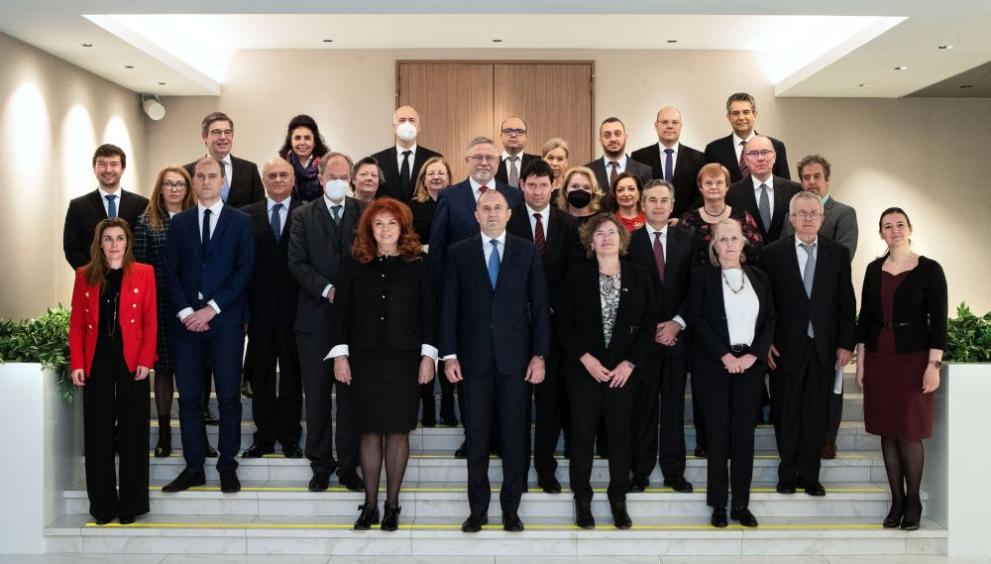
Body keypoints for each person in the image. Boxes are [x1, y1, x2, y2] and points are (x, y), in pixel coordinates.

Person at [440, 190, 550, 533]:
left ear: (508, 213)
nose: (491, 213)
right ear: (476, 215)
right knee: (476, 438)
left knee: (515, 437)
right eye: (485, 208)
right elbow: (449, 307)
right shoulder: (459, 252)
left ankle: (511, 510)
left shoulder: (526, 251)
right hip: (472, 362)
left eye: (497, 208)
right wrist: (449, 354)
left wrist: (539, 355)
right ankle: (478, 511)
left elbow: (540, 306)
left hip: (516, 362)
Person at [328, 198, 437, 532]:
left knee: (398, 431)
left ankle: (392, 505)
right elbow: (340, 312)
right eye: (379, 224)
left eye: (392, 223)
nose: (386, 230)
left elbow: (430, 312)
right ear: (369, 229)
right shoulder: (353, 263)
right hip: (364, 359)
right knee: (369, 431)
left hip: (405, 359)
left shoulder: (419, 263)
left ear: (402, 228)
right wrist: (340, 355)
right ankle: (370, 505)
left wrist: (429, 356)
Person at [162, 156, 255, 494]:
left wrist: (211, 309)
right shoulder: (180, 223)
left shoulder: (241, 222)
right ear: (194, 181)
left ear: (222, 181)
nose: (205, 181)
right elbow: (169, 270)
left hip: (225, 322)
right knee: (188, 398)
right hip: (186, 325)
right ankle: (194, 466)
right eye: (199, 176)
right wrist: (188, 311)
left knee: (229, 396)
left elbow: (244, 270)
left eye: (211, 176)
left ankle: (227, 465)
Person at [557, 213, 656, 529]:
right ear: (590, 241)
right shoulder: (576, 275)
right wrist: (585, 358)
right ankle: (582, 501)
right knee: (582, 437)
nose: (606, 238)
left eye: (612, 232)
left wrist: (630, 363)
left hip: (623, 372)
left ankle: (618, 499)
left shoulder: (639, 275)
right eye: (599, 233)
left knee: (620, 438)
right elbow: (563, 323)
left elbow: (649, 324)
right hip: (584, 371)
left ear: (622, 238)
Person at [428, 137, 522, 458]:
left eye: (489, 157)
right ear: (466, 160)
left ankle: (499, 437)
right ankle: (474, 438)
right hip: (466, 307)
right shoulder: (450, 196)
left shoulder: (513, 196)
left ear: (498, 163)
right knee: (471, 380)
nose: (484, 162)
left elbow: (520, 248)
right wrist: (444, 297)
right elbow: (437, 250)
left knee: (503, 379)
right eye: (477, 156)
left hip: (505, 308)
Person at [856, 207, 946, 531]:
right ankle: (896, 500)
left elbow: (939, 322)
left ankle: (913, 502)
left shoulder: (930, 269)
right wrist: (861, 363)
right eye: (887, 226)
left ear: (910, 229)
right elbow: (865, 319)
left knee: (909, 432)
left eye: (899, 224)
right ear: (880, 233)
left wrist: (933, 366)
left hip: (913, 359)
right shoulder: (873, 269)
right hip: (879, 356)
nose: (894, 230)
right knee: (888, 431)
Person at [762, 191, 856, 497]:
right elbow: (764, 303)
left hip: (824, 348)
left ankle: (810, 476)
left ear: (822, 218)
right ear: (791, 219)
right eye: (801, 213)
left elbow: (846, 301)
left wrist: (846, 344)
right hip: (784, 348)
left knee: (816, 414)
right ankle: (787, 474)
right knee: (786, 412)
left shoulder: (837, 254)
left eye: (813, 213)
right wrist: (765, 342)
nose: (807, 218)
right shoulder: (772, 254)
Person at [686, 218, 775, 529]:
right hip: (714, 367)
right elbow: (696, 319)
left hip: (750, 367)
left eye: (734, 238)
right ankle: (718, 505)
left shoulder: (759, 278)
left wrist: (753, 355)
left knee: (743, 438)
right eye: (722, 239)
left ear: (743, 242)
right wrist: (724, 355)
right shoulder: (702, 277)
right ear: (714, 246)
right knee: (717, 437)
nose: (728, 244)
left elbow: (770, 320)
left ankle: (741, 505)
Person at [288, 152, 367, 492]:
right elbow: (296, 262)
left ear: (351, 180)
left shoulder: (364, 212)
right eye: (331, 176)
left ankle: (349, 466)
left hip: (355, 320)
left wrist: (348, 292)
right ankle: (320, 464)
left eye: (343, 177)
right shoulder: (302, 215)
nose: (338, 182)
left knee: (350, 398)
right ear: (320, 179)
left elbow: (370, 257)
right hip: (315, 318)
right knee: (317, 396)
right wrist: (328, 289)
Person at [69, 218, 157, 525]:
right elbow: (77, 324)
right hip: (97, 359)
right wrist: (78, 363)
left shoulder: (144, 273)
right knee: (98, 432)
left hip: (131, 359)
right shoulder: (85, 275)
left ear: (128, 242)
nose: (114, 244)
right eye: (108, 238)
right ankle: (103, 506)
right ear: (99, 243)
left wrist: (146, 358)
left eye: (120, 238)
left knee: (133, 431)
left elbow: (150, 320)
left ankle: (131, 505)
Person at [678, 163, 764, 456]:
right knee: (706, 381)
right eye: (708, 182)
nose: (714, 187)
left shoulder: (742, 218)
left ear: (727, 187)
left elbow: (756, 257)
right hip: (702, 305)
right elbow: (681, 265)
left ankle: (736, 441)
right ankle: (707, 441)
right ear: (700, 187)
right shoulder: (688, 221)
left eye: (719, 182)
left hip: (738, 302)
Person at [506, 159, 581, 494]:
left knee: (550, 403)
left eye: (543, 185)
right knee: (516, 404)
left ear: (554, 186)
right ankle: (517, 470)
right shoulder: (508, 220)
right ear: (522, 186)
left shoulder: (569, 224)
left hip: (555, 326)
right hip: (515, 325)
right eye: (531, 185)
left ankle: (545, 468)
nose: (537, 191)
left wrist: (550, 306)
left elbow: (575, 273)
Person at [780, 155, 859, 459]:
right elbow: (787, 257)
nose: (811, 182)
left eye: (817, 176)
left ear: (827, 179)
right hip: (797, 322)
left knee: (831, 386)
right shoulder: (792, 214)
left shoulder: (844, 213)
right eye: (806, 177)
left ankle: (827, 438)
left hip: (828, 314)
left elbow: (843, 255)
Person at [627, 180, 696, 493]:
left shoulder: (688, 240)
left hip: (677, 338)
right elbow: (629, 291)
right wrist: (651, 328)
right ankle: (640, 471)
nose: (658, 205)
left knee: (673, 407)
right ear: (642, 205)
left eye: (663, 200)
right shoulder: (630, 242)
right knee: (643, 408)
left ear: (672, 205)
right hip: (643, 340)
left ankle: (673, 471)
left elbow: (696, 287)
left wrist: (676, 323)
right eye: (652, 200)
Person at [240, 159, 304, 459]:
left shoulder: (307, 212)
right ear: (263, 181)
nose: (278, 179)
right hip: (259, 312)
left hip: (296, 311)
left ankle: (290, 437)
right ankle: (264, 437)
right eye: (272, 175)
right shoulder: (245, 215)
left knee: (292, 376)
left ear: (293, 180)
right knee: (262, 376)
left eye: (283, 175)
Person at [133, 166, 196, 458]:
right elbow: (139, 268)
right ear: (160, 188)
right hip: (159, 307)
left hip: (193, 308)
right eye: (168, 184)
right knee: (163, 370)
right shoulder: (146, 222)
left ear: (187, 189)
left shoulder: (197, 219)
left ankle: (195, 433)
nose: (174, 189)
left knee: (192, 371)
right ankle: (164, 433)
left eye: (179, 184)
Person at [408, 156, 456, 427]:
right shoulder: (413, 207)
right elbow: (407, 241)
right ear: (423, 180)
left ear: (449, 178)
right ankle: (427, 406)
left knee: (448, 343)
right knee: (425, 342)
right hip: (422, 278)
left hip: (451, 279)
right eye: (431, 173)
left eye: (441, 173)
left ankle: (448, 406)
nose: (436, 177)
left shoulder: (457, 203)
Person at [63, 144, 149, 270]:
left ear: (123, 169)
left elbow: (146, 248)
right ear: (94, 168)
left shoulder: (142, 205)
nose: (108, 170)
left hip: (132, 277)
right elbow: (72, 249)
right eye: (102, 164)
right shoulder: (78, 207)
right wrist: (95, 273)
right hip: (93, 278)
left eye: (114, 164)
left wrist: (129, 273)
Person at [631, 106, 706, 217]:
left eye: (675, 122)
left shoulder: (698, 158)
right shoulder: (639, 157)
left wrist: (683, 219)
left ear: (680, 126)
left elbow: (701, 195)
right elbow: (635, 194)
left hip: (686, 223)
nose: (670, 126)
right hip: (649, 221)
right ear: (656, 126)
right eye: (665, 122)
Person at [726, 135, 802, 243]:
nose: (760, 158)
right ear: (745, 160)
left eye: (765, 152)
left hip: (786, 252)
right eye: (754, 153)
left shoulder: (794, 190)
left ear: (774, 156)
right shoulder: (732, 193)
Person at [183, 112, 265, 208]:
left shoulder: (250, 170)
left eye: (227, 132)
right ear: (204, 137)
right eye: (216, 132)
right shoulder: (187, 172)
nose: (223, 137)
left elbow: (260, 208)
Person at [704, 92, 790, 183]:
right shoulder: (713, 150)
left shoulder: (776, 146)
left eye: (746, 112)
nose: (741, 117)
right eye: (736, 113)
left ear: (755, 114)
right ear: (729, 117)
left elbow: (785, 185)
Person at [370, 105, 443, 201]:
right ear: (394, 128)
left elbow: (442, 191)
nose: (407, 124)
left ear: (418, 127)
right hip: (389, 210)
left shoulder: (434, 159)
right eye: (402, 120)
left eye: (411, 120)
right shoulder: (378, 160)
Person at [584, 117, 652, 211]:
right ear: (600, 140)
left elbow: (647, 204)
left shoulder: (644, 171)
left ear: (625, 137)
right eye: (607, 135)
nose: (613, 139)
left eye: (617, 134)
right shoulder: (588, 171)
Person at [278, 114, 331, 202]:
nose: (302, 142)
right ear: (291, 141)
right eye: (297, 138)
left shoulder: (326, 165)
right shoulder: (282, 165)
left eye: (307, 138)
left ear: (314, 142)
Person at [495, 116, 541, 187]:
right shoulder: (491, 163)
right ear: (501, 136)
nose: (513, 135)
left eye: (519, 132)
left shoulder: (538, 162)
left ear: (526, 137)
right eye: (508, 131)